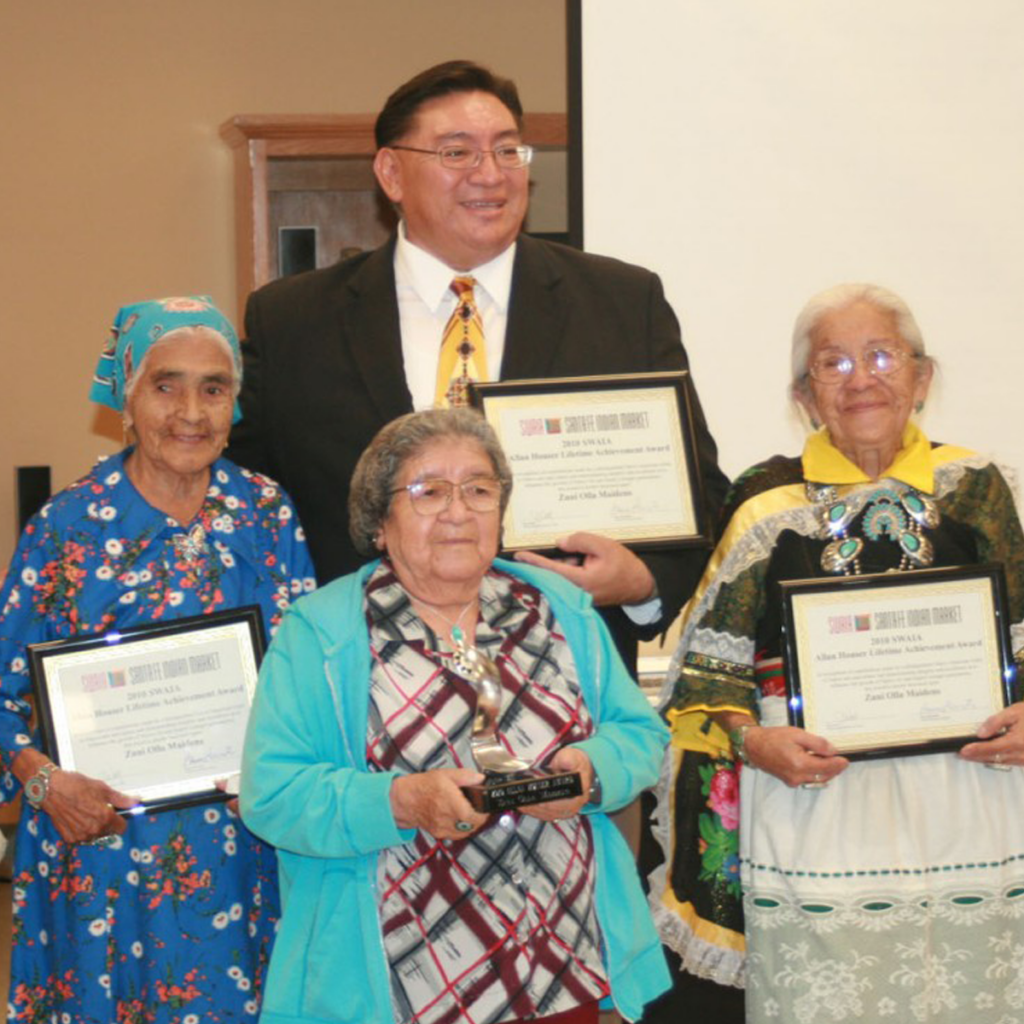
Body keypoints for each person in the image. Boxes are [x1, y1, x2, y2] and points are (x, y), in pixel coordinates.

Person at [224, 59, 729, 674]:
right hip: (358, 687)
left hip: (564, 684)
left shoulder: (621, 302)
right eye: (457, 153)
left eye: (508, 151)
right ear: (391, 172)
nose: (490, 175)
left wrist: (644, 582)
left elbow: (699, 492)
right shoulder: (294, 320)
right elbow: (243, 503)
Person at [646, 282, 1024, 1023]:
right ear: (804, 396)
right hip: (815, 803)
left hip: (971, 799)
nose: (862, 378)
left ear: (922, 378)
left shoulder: (978, 489)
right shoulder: (766, 503)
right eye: (833, 363)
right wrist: (754, 739)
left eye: (883, 355)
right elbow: (703, 675)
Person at [240, 407, 671, 1024]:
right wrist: (402, 801)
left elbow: (640, 734)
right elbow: (274, 794)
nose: (458, 511)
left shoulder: (557, 608)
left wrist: (591, 771)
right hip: (400, 980)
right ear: (379, 522)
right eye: (429, 491)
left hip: (557, 962)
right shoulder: (323, 632)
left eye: (478, 489)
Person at [0, 297, 316, 1021]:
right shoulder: (68, 526)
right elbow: (1, 688)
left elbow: (310, 677)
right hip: (100, 847)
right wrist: (44, 783)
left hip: (243, 853)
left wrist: (283, 766)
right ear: (125, 396)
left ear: (237, 402)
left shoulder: (267, 513)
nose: (192, 412)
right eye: (165, 385)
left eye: (215, 388)